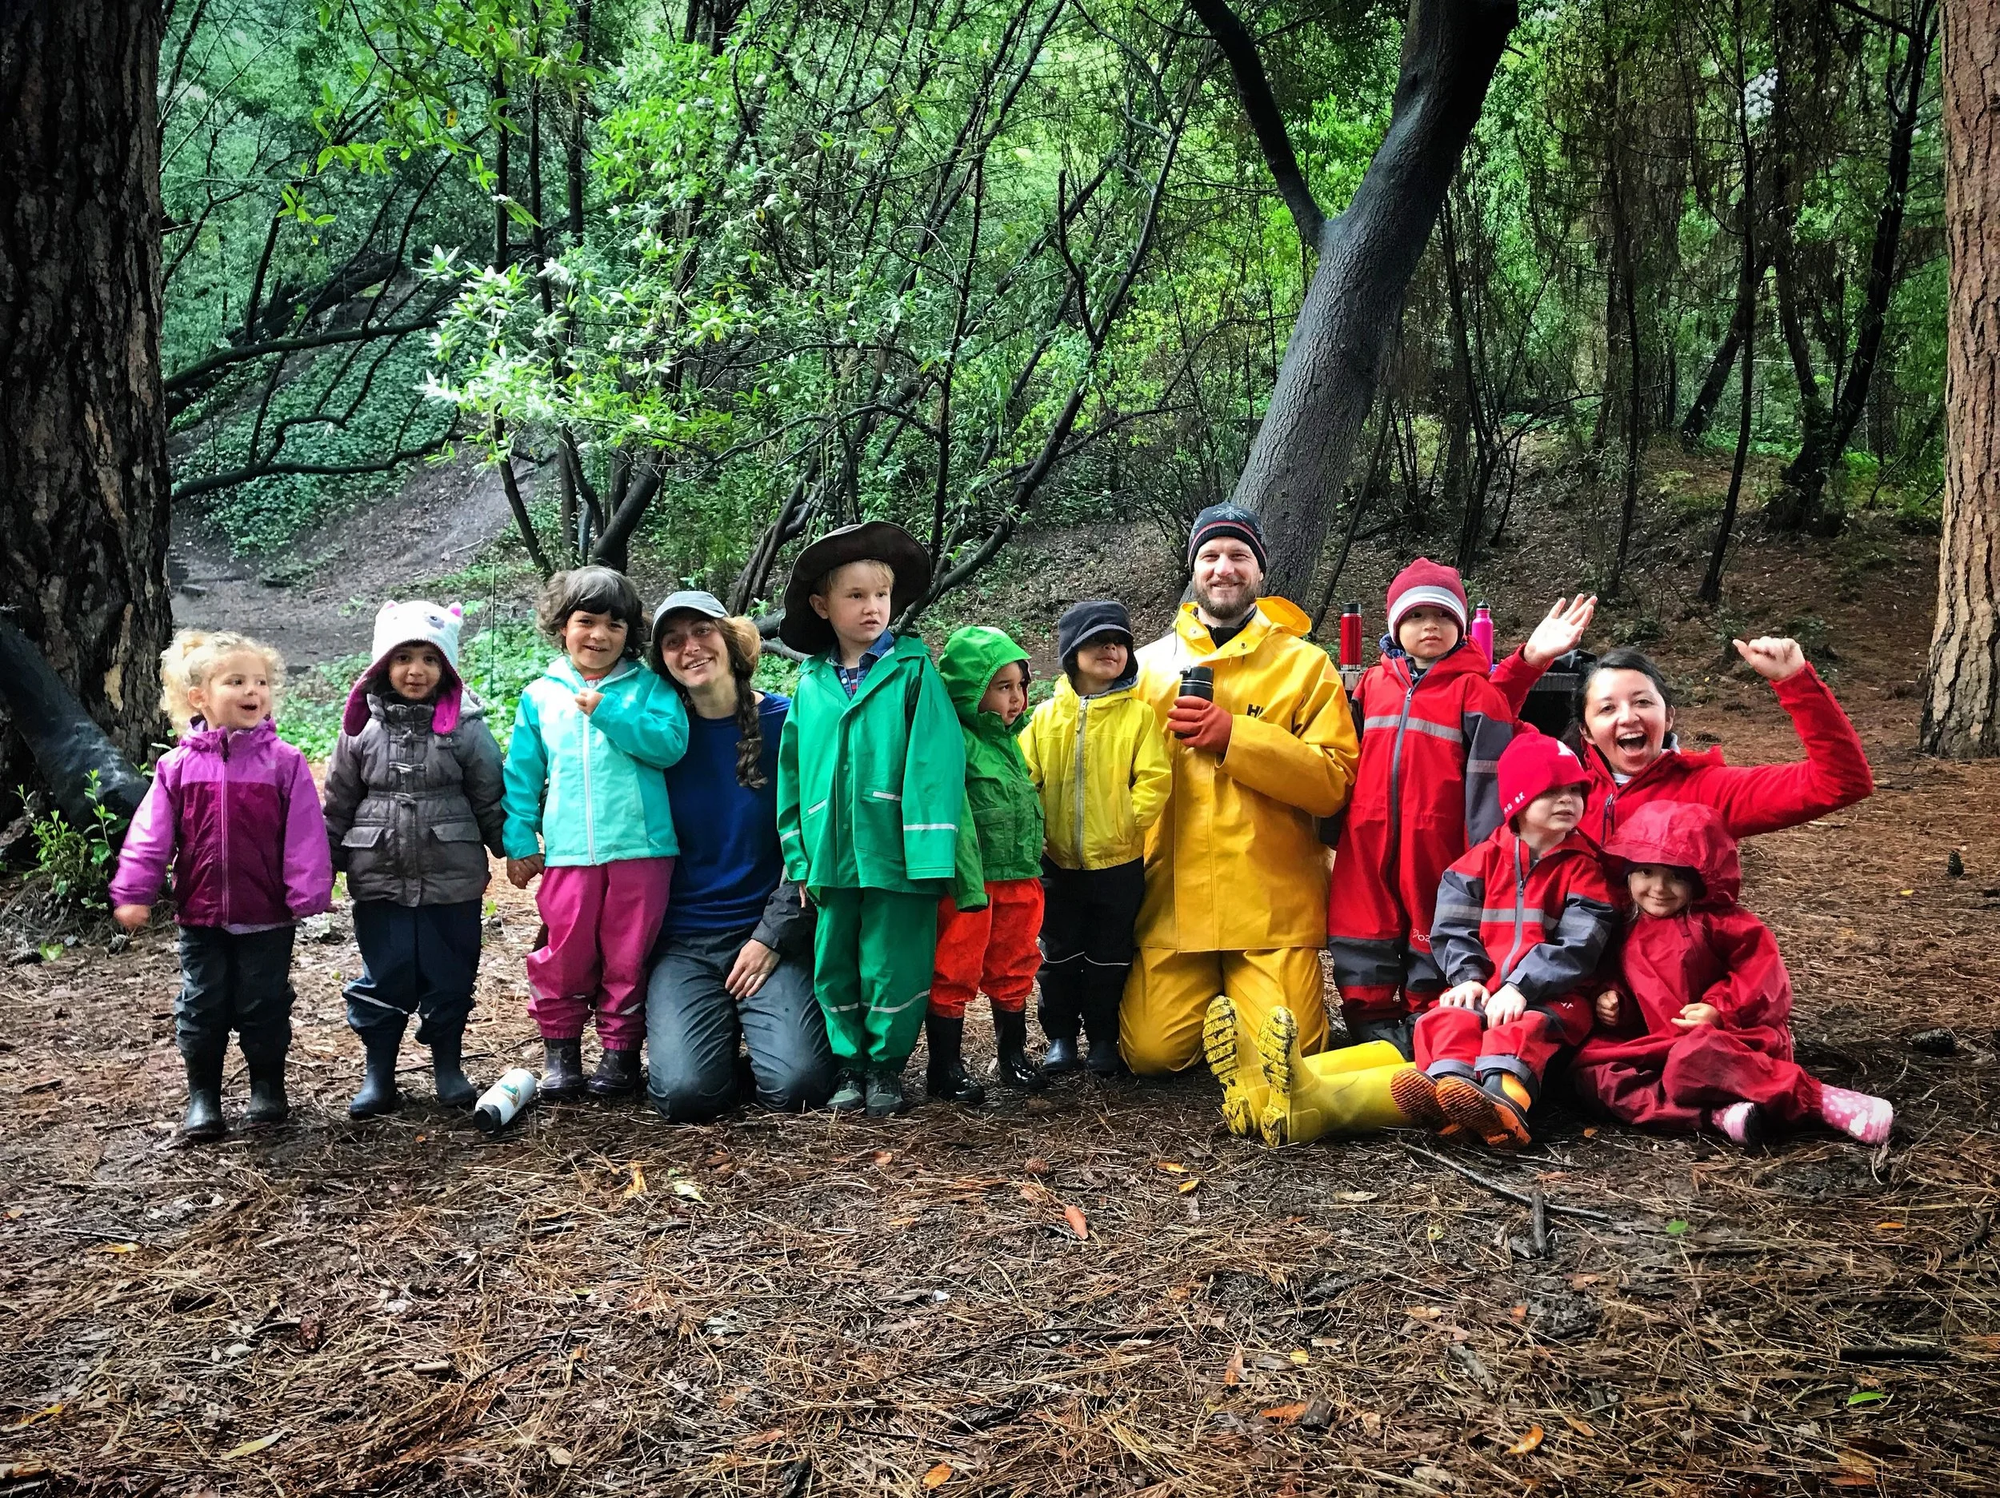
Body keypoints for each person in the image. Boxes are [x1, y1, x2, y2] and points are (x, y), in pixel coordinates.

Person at [1124, 503, 1361, 1085]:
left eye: (1238, 555)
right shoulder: (1145, 668)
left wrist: (1236, 737)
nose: (1223, 567)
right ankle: (1219, 1008)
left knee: (1291, 1055)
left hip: (1270, 910)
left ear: (1260, 571)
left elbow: (1333, 783)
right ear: (1193, 569)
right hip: (1173, 909)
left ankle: (1247, 1003)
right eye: (1210, 555)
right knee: (1151, 1055)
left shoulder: (1306, 666)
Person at [1328, 558, 1597, 1053]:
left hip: (1441, 840)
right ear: (1395, 626)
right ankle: (1369, 1017)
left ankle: (1424, 1019)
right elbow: (1342, 755)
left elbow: (1501, 760)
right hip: (1367, 836)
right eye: (1415, 616)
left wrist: (1483, 847)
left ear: (1461, 625)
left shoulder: (1474, 688)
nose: (1430, 625)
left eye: (1443, 615)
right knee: (1362, 924)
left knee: (1433, 923)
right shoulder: (1372, 684)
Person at [776, 522, 967, 1118]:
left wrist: (930, 853)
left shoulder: (912, 670)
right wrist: (798, 856)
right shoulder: (811, 683)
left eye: (880, 595)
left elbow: (936, 760)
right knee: (835, 959)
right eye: (855, 595)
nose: (872, 607)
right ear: (822, 606)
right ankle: (848, 1063)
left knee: (894, 961)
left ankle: (886, 1066)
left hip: (896, 851)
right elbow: (792, 772)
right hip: (830, 853)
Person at [110, 631, 333, 1140]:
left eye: (261, 682)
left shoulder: (285, 763)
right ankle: (203, 1098)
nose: (253, 690)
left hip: (267, 915)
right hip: (201, 915)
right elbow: (150, 835)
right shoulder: (177, 767)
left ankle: (267, 1088)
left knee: (264, 1002)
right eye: (236, 681)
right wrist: (134, 891)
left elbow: (304, 832)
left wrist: (308, 891)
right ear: (200, 697)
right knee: (202, 1004)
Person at [1575, 800, 1893, 1146]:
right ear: (1628, 872)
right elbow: (1623, 978)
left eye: (1676, 876)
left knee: (1693, 1059)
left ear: (1701, 878)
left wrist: (1720, 1009)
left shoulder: (1721, 923)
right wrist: (1615, 1002)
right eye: (1646, 872)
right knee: (1592, 1073)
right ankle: (1717, 1116)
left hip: (1729, 1040)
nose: (1659, 888)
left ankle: (1819, 1100)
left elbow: (1761, 977)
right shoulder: (1626, 924)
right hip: (1657, 1044)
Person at [642, 592, 831, 1120]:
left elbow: (816, 843)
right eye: (673, 641)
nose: (690, 648)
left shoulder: (788, 723)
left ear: (729, 640)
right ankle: (715, 1040)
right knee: (685, 1095)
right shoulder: (656, 740)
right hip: (684, 942)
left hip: (770, 933)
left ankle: (761, 1039)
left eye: (702, 632)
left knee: (799, 1088)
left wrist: (772, 935)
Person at [502, 567, 689, 1101]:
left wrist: (610, 714)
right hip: (568, 854)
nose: (599, 635)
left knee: (629, 954)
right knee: (564, 951)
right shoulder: (540, 695)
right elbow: (521, 775)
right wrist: (520, 841)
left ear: (630, 633)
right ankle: (561, 1051)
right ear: (562, 625)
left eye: (614, 624)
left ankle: (620, 1052)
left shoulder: (650, 688)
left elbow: (670, 746)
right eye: (586, 621)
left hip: (643, 850)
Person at [322, 601, 507, 1117]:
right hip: (379, 874)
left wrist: (511, 848)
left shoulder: (466, 728)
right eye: (403, 658)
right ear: (382, 665)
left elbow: (490, 795)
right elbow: (337, 802)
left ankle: (448, 1066)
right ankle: (379, 1073)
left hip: (452, 879)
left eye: (429, 659)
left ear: (447, 668)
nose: (415, 670)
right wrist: (324, 863)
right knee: (386, 972)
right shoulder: (360, 729)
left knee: (452, 971)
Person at [1391, 733, 1618, 1150]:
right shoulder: (1481, 860)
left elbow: (1580, 944)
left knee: (1524, 1029)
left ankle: (1505, 1104)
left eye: (1575, 790)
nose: (1568, 800)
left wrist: (1521, 986)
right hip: (1488, 988)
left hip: (1555, 995)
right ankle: (1449, 1093)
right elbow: (1453, 926)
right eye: (1551, 791)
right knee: (1448, 1017)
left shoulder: (1586, 868)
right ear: (1518, 801)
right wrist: (1466, 977)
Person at [1021, 599, 1171, 1076]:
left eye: (1120, 643)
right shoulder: (1045, 717)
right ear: (1072, 654)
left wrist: (1128, 822)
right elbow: (1025, 780)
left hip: (1119, 863)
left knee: (1111, 955)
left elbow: (1154, 778)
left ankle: (1104, 1038)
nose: (1111, 649)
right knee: (1058, 955)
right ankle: (1061, 1037)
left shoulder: (1138, 717)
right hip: (1057, 863)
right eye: (1098, 641)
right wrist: (1035, 831)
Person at [1573, 639, 1873, 841]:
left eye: (1642, 702)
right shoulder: (1564, 790)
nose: (1628, 717)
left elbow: (1841, 782)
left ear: (1668, 717)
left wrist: (1795, 682)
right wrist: (1542, 660)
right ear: (1586, 731)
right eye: (1607, 708)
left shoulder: (1710, 791)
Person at [927, 626, 1048, 1103]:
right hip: (972, 884)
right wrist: (965, 884)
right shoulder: (955, 742)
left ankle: (1012, 1056)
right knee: (954, 966)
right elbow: (954, 814)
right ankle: (945, 1066)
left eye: (1021, 685)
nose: (1016, 698)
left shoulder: (1010, 741)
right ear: (970, 690)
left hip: (1019, 876)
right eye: (1002, 687)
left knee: (1015, 962)